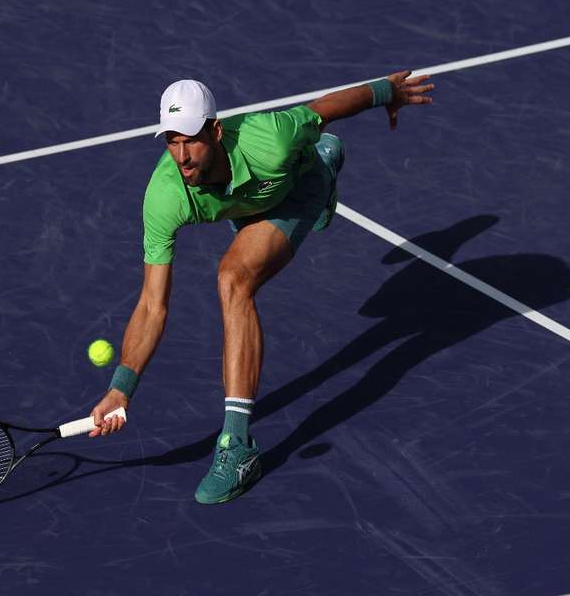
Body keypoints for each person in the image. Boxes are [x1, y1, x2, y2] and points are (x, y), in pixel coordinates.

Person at [88, 70, 434, 504]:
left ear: (215, 131)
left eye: (191, 139)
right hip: (249, 202)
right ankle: (312, 167)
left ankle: (237, 449)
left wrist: (388, 92)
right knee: (239, 247)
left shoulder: (270, 137)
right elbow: (152, 305)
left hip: (296, 191)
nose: (182, 155)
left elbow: (327, 107)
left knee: (233, 280)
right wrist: (121, 388)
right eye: (171, 141)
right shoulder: (164, 196)